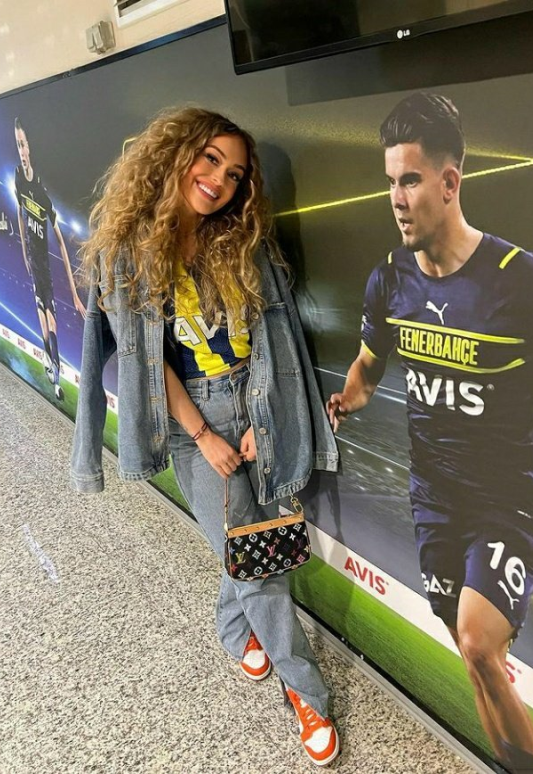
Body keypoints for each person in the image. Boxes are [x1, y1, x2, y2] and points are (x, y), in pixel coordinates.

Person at [327, 92, 533, 774]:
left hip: (505, 503)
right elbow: (369, 365)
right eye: (390, 182)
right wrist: (348, 398)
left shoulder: (527, 283)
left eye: (411, 180)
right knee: (472, 654)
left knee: (479, 641)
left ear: (450, 182)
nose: (397, 199)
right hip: (435, 504)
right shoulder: (389, 281)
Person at [70, 107, 340, 766]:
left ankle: (232, 630)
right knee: (259, 564)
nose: (220, 180)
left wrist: (262, 417)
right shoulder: (128, 250)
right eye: (210, 159)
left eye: (236, 173)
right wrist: (204, 433)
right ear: (176, 156)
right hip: (192, 418)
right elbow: (143, 360)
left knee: (249, 545)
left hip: (255, 402)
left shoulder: (240, 241)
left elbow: (272, 338)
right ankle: (307, 692)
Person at [14, 117, 86, 400]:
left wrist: (75, 295)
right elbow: (20, 215)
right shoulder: (18, 179)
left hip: (44, 268)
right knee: (44, 323)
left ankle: (55, 374)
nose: (21, 150)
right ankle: (53, 373)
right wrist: (24, 253)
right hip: (35, 267)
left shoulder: (42, 195)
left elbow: (62, 246)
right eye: (17, 144)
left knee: (51, 324)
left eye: (23, 144)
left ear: (29, 147)